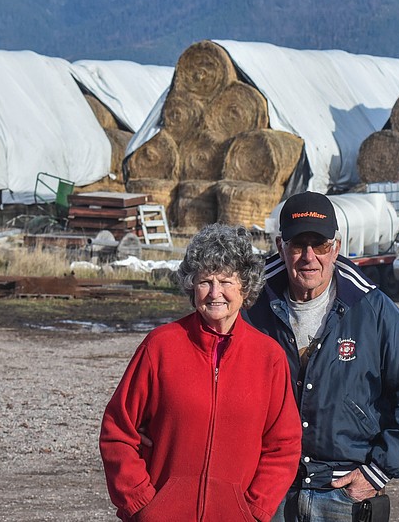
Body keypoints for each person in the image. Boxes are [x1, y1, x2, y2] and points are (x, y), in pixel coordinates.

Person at [245, 191, 399, 521]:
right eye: (297, 245)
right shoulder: (251, 305)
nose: (309, 257)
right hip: (270, 490)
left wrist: (378, 470)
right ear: (281, 247)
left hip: (343, 493)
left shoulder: (370, 307)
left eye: (319, 245)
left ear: (335, 248)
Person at [99, 223, 302, 521]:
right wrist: (142, 504)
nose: (215, 293)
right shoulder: (161, 346)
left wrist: (254, 511)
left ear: (244, 287)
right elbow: (118, 431)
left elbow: (283, 445)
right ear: (192, 285)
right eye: (205, 281)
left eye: (226, 281)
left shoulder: (268, 357)